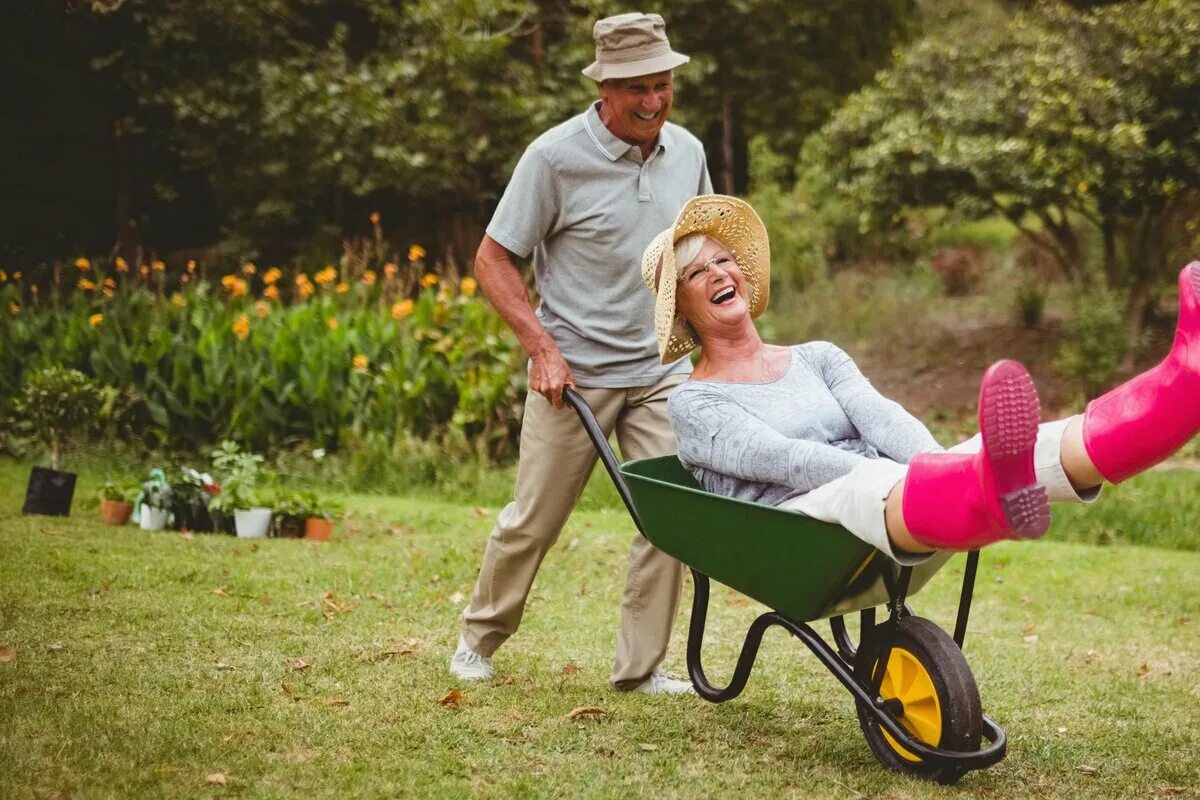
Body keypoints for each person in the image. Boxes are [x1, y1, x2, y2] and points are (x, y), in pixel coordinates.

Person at [640, 194, 1200, 561]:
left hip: (893, 494)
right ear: (683, 308)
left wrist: (946, 464)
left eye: (723, 259)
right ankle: (970, 489)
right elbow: (790, 461)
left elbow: (882, 416)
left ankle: (1182, 386)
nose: (718, 272)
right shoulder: (696, 403)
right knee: (873, 483)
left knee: (1039, 443)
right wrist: (922, 477)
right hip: (797, 528)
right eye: (696, 272)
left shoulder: (818, 356)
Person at [451, 13, 713, 693]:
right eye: (638, 91)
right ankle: (478, 639)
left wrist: (715, 346)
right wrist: (541, 347)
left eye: (663, 85)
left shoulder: (686, 152)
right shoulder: (554, 157)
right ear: (605, 90)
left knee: (670, 516)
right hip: (574, 375)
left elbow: (703, 253)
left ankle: (640, 669)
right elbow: (493, 258)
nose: (653, 102)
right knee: (533, 519)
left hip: (660, 369)